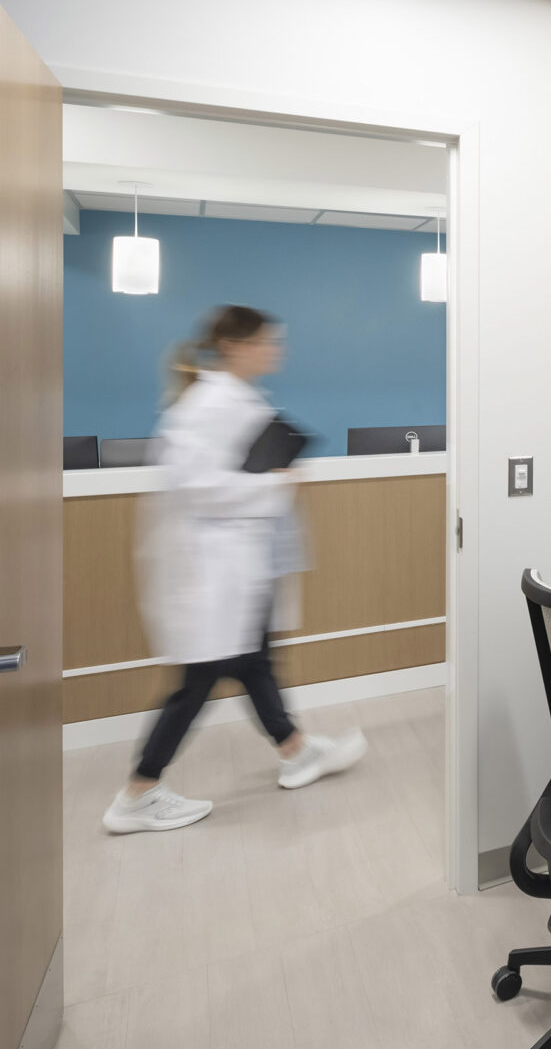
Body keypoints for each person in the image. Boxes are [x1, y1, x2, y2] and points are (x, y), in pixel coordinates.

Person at [103, 305, 365, 834]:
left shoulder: (237, 398)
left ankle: (294, 750)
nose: (277, 351)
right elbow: (197, 486)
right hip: (212, 569)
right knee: (200, 678)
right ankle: (138, 792)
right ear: (235, 346)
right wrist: (274, 485)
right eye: (269, 342)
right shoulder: (208, 404)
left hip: (240, 563)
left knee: (253, 660)